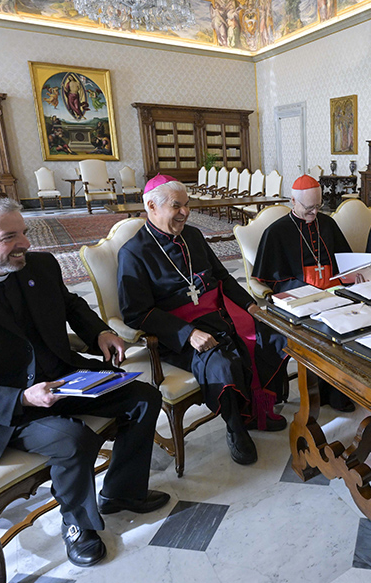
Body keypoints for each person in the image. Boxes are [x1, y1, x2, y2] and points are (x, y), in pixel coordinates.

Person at [0, 196, 167, 568]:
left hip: (62, 382)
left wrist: (99, 332)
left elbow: (70, 304)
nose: (25, 243)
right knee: (72, 439)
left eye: (24, 232)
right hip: (3, 413)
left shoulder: (39, 265)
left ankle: (122, 492)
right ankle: (77, 524)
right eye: (10, 237)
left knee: (143, 397)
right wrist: (20, 399)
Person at [117, 176, 289, 467]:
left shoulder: (193, 236)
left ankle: (259, 411)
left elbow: (221, 278)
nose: (185, 212)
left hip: (218, 315)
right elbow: (136, 313)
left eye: (187, 205)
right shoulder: (133, 252)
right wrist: (187, 333)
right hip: (178, 335)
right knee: (221, 362)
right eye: (176, 206)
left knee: (273, 335)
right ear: (151, 206)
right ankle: (236, 428)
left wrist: (250, 307)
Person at [251, 174, 356, 412]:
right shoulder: (276, 232)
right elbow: (271, 278)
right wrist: (308, 290)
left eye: (318, 207)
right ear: (293, 202)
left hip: (332, 293)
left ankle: (338, 391)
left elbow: (344, 261)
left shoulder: (327, 224)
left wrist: (351, 276)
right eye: (309, 208)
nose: (314, 213)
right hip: (298, 298)